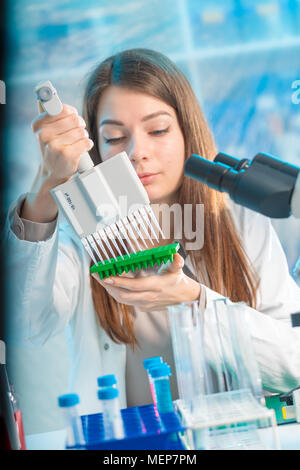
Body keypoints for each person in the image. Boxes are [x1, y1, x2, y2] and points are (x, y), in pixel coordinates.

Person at [4, 48, 300, 415]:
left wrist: (191, 300)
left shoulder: (241, 222)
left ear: (186, 132)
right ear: (94, 149)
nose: (137, 151)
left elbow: (291, 365)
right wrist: (45, 186)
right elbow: (25, 322)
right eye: (113, 138)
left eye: (158, 130)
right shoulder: (81, 235)